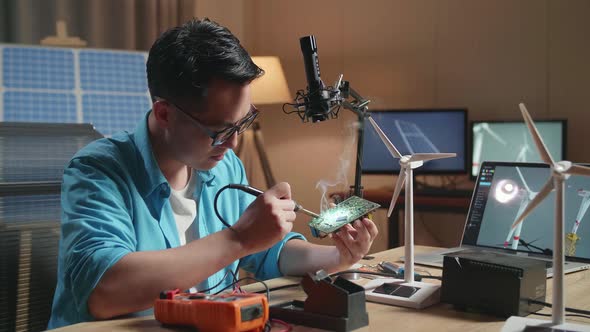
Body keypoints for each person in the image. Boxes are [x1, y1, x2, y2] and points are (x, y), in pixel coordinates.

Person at [48, 18, 378, 329]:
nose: (233, 143)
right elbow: (105, 292)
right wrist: (238, 238)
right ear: (164, 113)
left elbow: (269, 253)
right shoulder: (98, 171)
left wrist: (338, 256)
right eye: (220, 130)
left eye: (242, 123)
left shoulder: (223, 165)